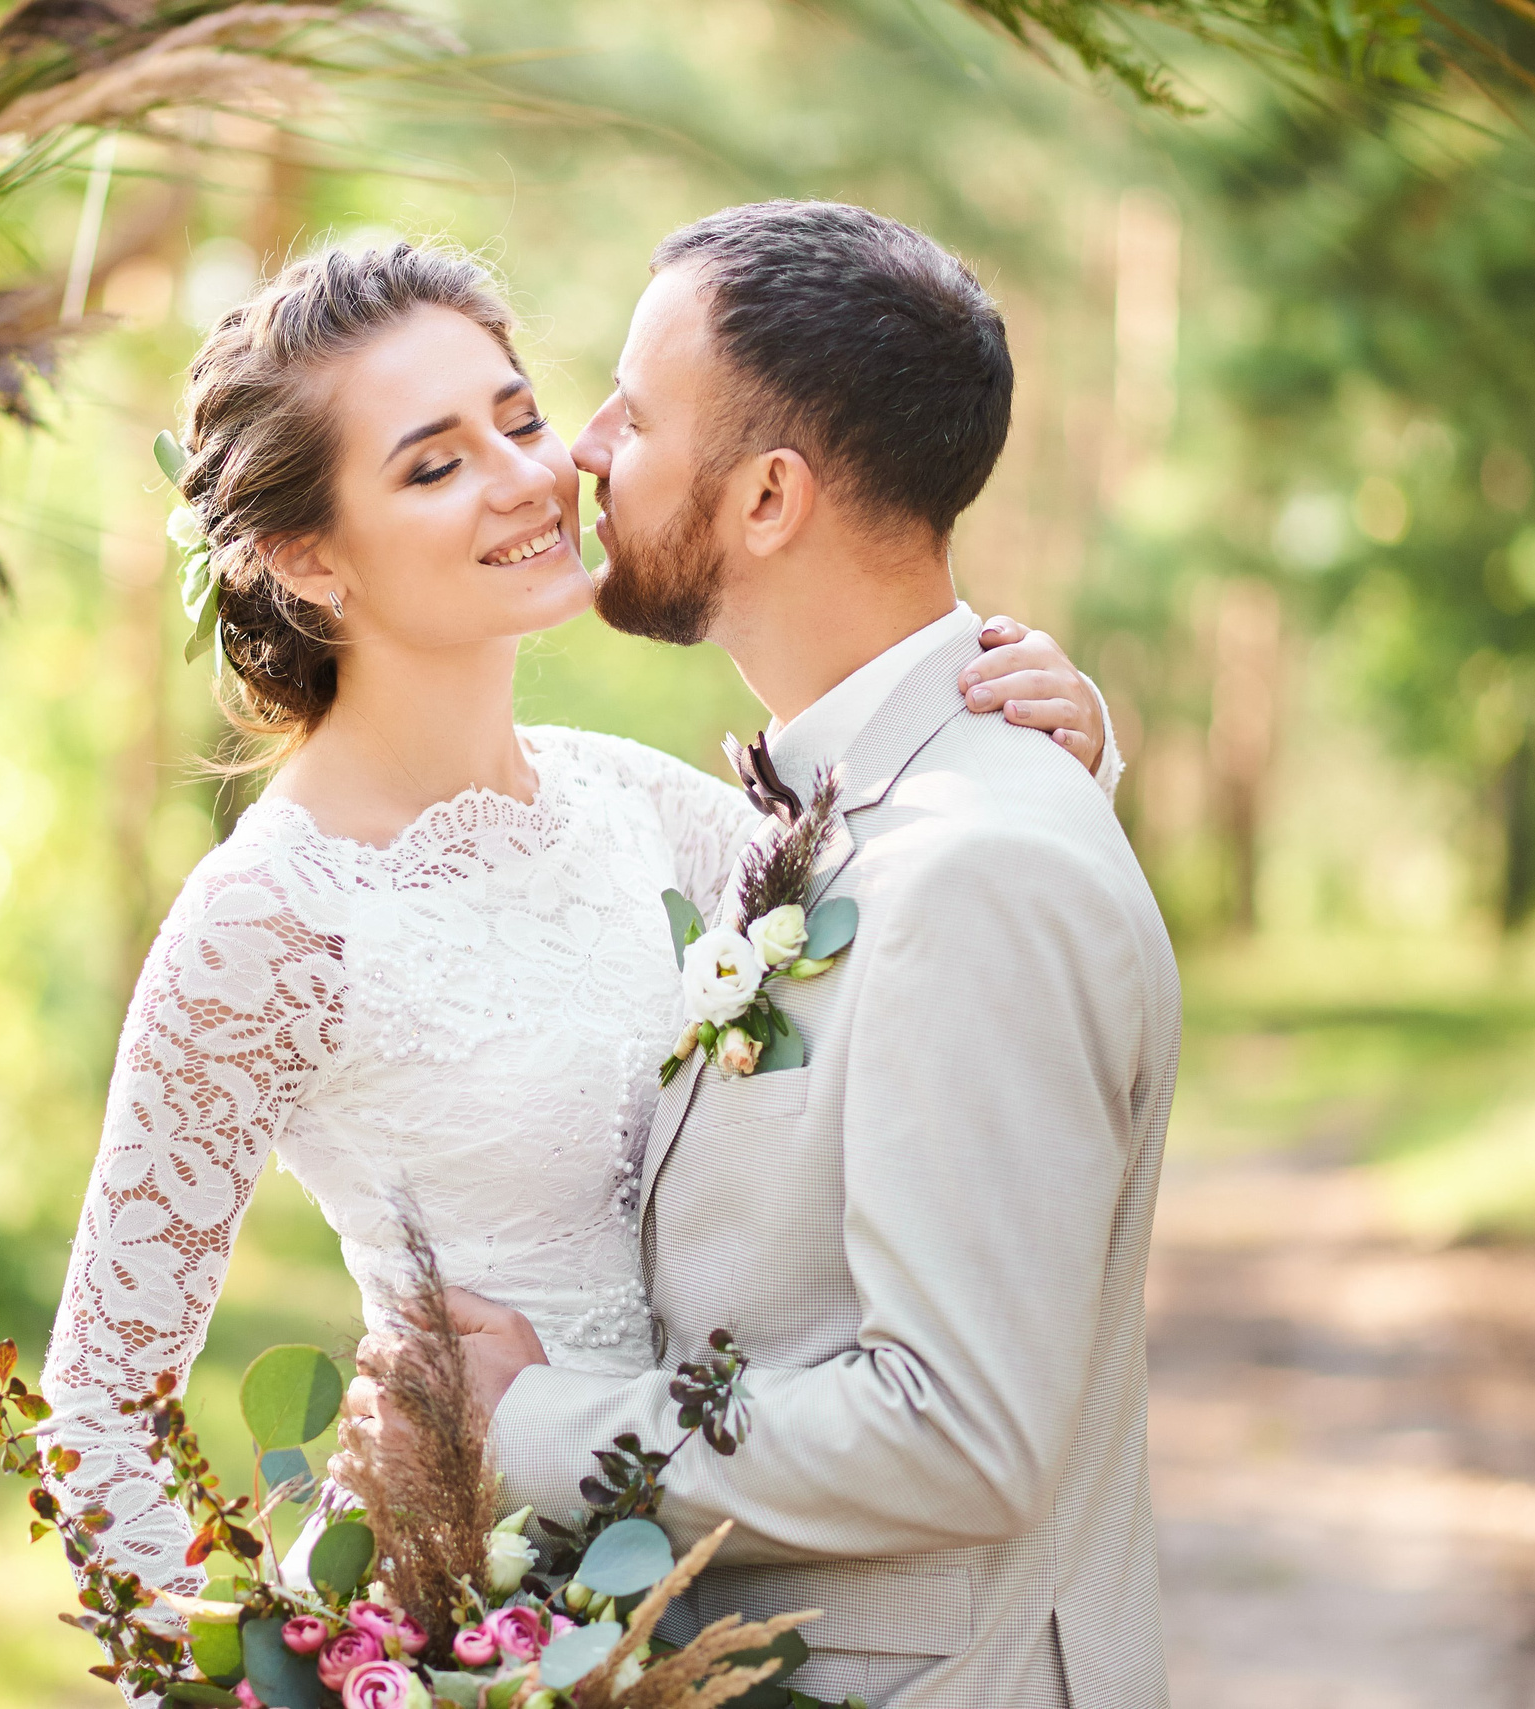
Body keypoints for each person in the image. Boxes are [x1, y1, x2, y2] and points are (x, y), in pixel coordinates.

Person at [35, 237, 1133, 1613]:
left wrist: (1052, 757)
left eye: (521, 417)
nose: (529, 477)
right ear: (308, 558)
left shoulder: (641, 807)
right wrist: (252, 1676)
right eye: (434, 464)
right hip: (476, 1624)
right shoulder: (267, 924)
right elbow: (96, 1412)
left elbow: (943, 949)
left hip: (739, 1590)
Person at [349, 204, 1182, 1708]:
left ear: (770, 497)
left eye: (636, 410)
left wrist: (527, 1419)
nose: (581, 448)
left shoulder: (978, 865)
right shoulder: (873, 805)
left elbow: (961, 1431)